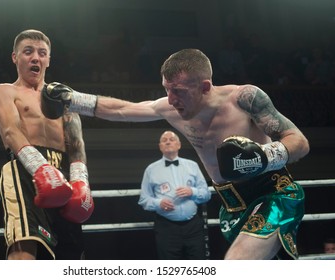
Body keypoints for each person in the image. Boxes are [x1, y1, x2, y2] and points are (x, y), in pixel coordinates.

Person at [41, 48, 310, 260]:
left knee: (237, 262)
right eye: (167, 89)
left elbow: (299, 142)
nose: (171, 99)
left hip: (273, 193)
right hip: (232, 205)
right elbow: (122, 109)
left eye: (178, 91)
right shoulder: (173, 109)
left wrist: (262, 156)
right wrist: (74, 99)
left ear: (205, 87)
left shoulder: (244, 99)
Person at [0, 29, 94, 260]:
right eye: (28, 52)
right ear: (15, 57)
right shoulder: (6, 91)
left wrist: (80, 182)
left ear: (48, 59)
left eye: (42, 52)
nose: (35, 57)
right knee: (26, 252)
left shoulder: (64, 101)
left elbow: (76, 145)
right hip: (26, 172)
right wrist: (41, 168)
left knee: (70, 257)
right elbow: (11, 131)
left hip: (65, 177)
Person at [139, 130, 211, 259]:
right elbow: (144, 199)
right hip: (166, 228)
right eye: (164, 140)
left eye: (171, 139)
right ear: (160, 147)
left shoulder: (192, 166)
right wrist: (158, 203)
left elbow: (206, 194)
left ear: (179, 145)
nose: (168, 141)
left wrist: (192, 192)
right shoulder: (151, 169)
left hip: (193, 226)